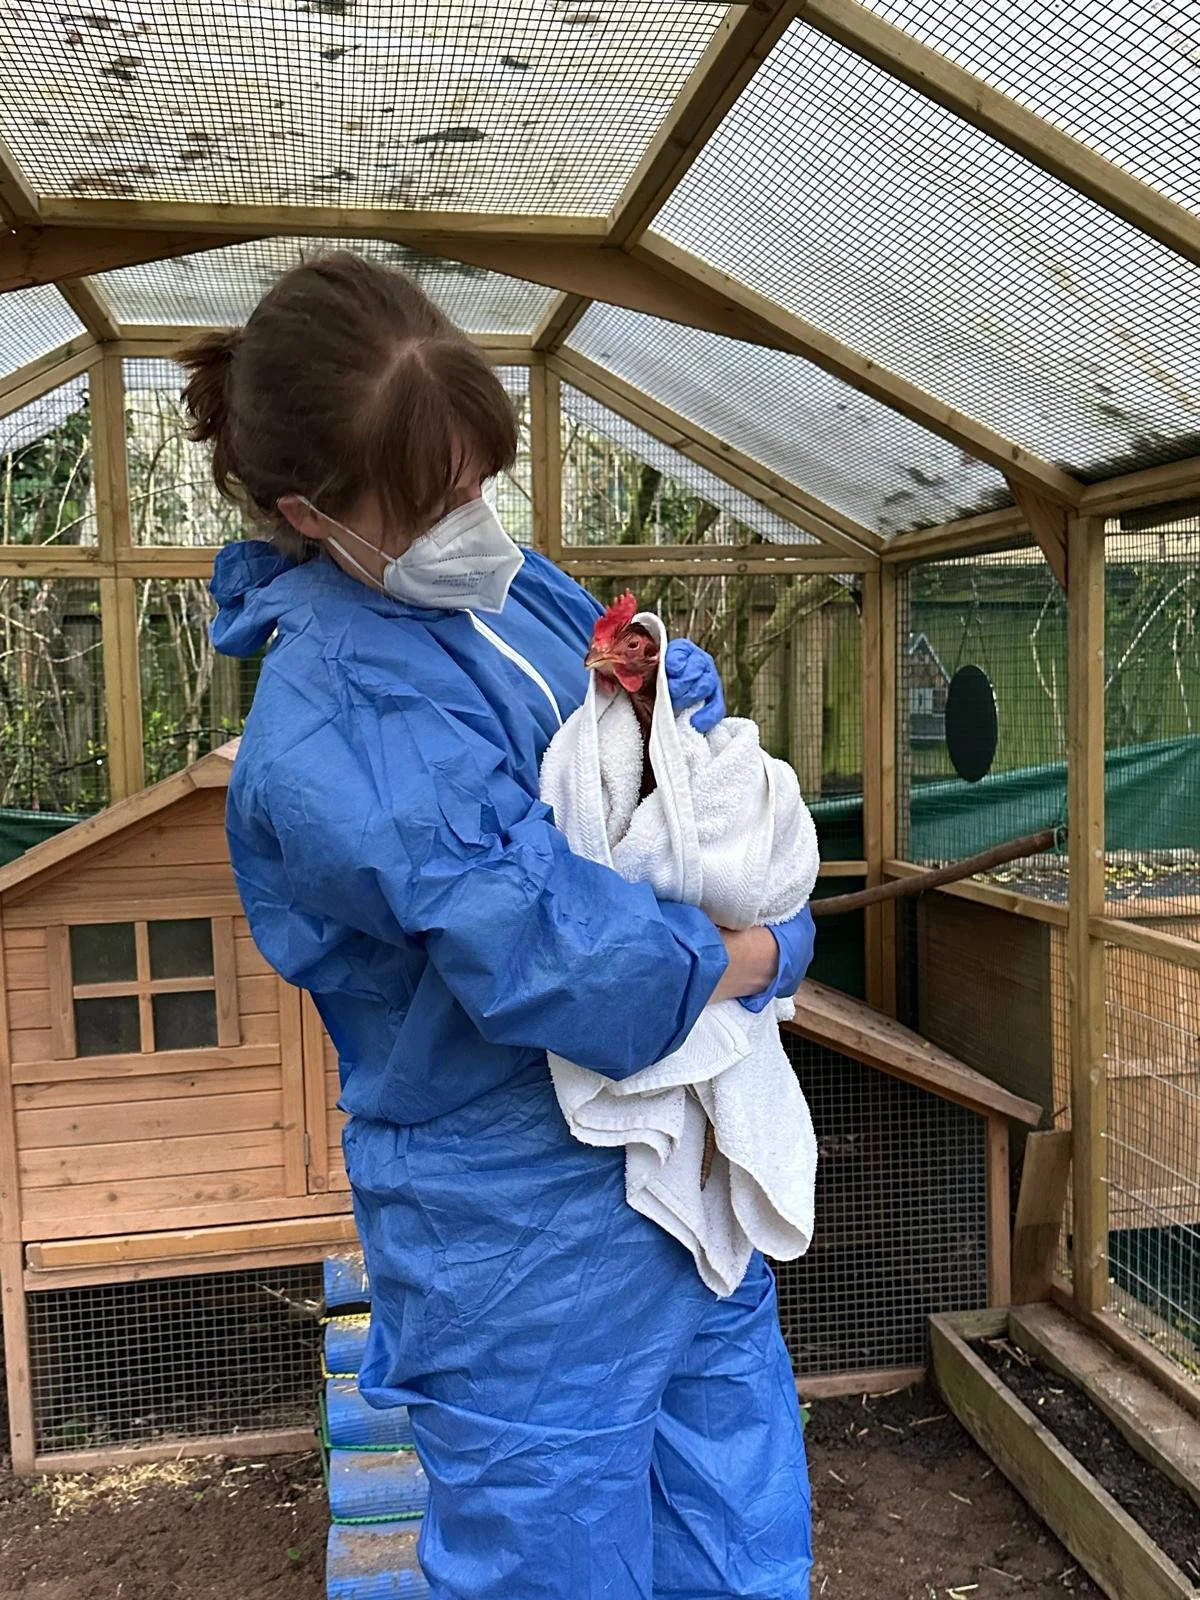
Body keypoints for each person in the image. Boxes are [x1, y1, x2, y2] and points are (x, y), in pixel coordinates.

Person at [181, 251, 816, 1600]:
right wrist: (756, 954)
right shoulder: (340, 718)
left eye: (480, 480)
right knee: (554, 1554)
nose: (473, 517)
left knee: (735, 1519)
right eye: (432, 500)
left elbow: (619, 685)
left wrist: (652, 695)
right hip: (520, 1227)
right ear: (309, 513)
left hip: (676, 1167)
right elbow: (547, 947)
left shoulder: (496, 584)